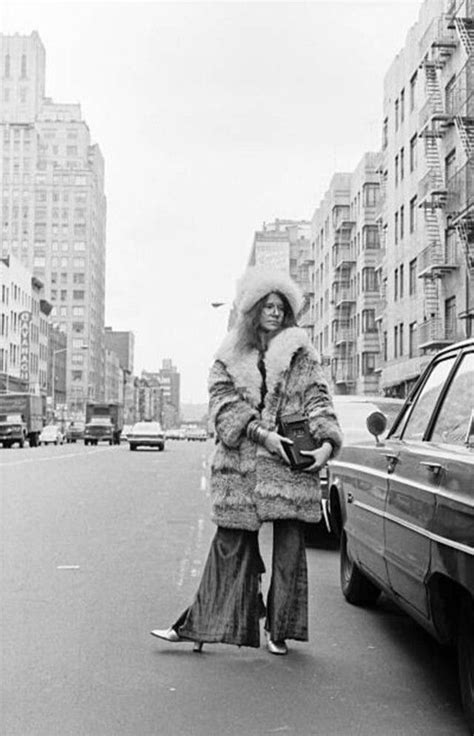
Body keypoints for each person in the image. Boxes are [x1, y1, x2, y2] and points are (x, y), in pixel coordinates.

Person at [151, 266, 343, 655]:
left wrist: (325, 446)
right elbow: (223, 408)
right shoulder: (229, 355)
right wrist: (262, 435)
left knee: (289, 550)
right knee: (230, 545)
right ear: (253, 310)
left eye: (281, 307)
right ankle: (197, 626)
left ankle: (279, 631)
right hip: (240, 466)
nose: (274, 312)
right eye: (267, 306)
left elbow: (319, 400)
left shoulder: (302, 354)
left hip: (290, 464)